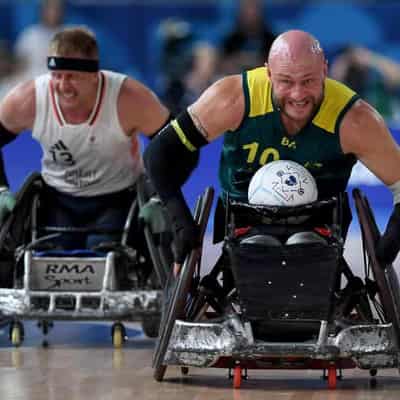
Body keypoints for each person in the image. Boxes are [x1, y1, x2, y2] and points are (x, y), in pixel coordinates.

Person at [144, 29, 400, 273]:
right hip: (242, 221)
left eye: (308, 80)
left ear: (325, 70)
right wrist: (180, 221)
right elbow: (159, 153)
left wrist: (388, 246)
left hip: (321, 227)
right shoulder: (233, 96)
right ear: (268, 74)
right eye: (286, 81)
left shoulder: (354, 119)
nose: (298, 94)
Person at [0, 26, 171, 252]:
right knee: (46, 262)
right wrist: (1, 191)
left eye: (72, 77)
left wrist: (161, 197)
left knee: (104, 259)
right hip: (57, 200)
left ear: (94, 76)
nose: (63, 86)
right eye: (57, 76)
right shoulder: (28, 99)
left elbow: (176, 146)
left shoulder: (129, 98)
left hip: (118, 199)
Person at [15, 0, 65, 81]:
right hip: (33, 82)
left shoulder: (69, 36)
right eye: (49, 8)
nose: (52, 13)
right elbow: (19, 66)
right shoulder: (30, 35)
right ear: (42, 10)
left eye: (56, 9)